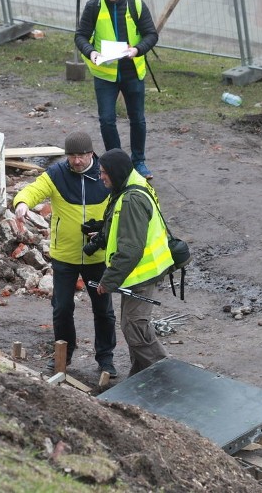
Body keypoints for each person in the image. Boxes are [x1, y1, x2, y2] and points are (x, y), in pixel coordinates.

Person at [12, 131, 118, 376]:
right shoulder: (57, 174)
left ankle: (106, 359)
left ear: (91, 154)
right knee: (61, 308)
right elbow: (33, 190)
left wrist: (107, 232)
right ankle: (64, 354)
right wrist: (22, 203)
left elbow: (123, 199)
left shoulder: (105, 174)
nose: (77, 161)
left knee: (103, 309)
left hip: (97, 256)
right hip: (65, 256)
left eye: (81, 155)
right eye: (72, 156)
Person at [94, 148, 174, 377]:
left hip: (142, 273)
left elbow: (131, 248)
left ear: (116, 172)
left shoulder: (131, 199)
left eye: (103, 173)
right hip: (140, 271)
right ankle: (140, 378)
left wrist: (108, 281)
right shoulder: (132, 184)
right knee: (134, 327)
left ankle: (167, 378)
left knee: (135, 329)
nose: (101, 177)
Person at [75, 0, 158, 180]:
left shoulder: (136, 5)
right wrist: (91, 52)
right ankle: (117, 162)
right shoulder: (94, 6)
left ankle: (139, 161)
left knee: (137, 119)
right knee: (107, 120)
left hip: (133, 73)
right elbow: (80, 36)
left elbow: (151, 34)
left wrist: (137, 50)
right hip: (105, 75)